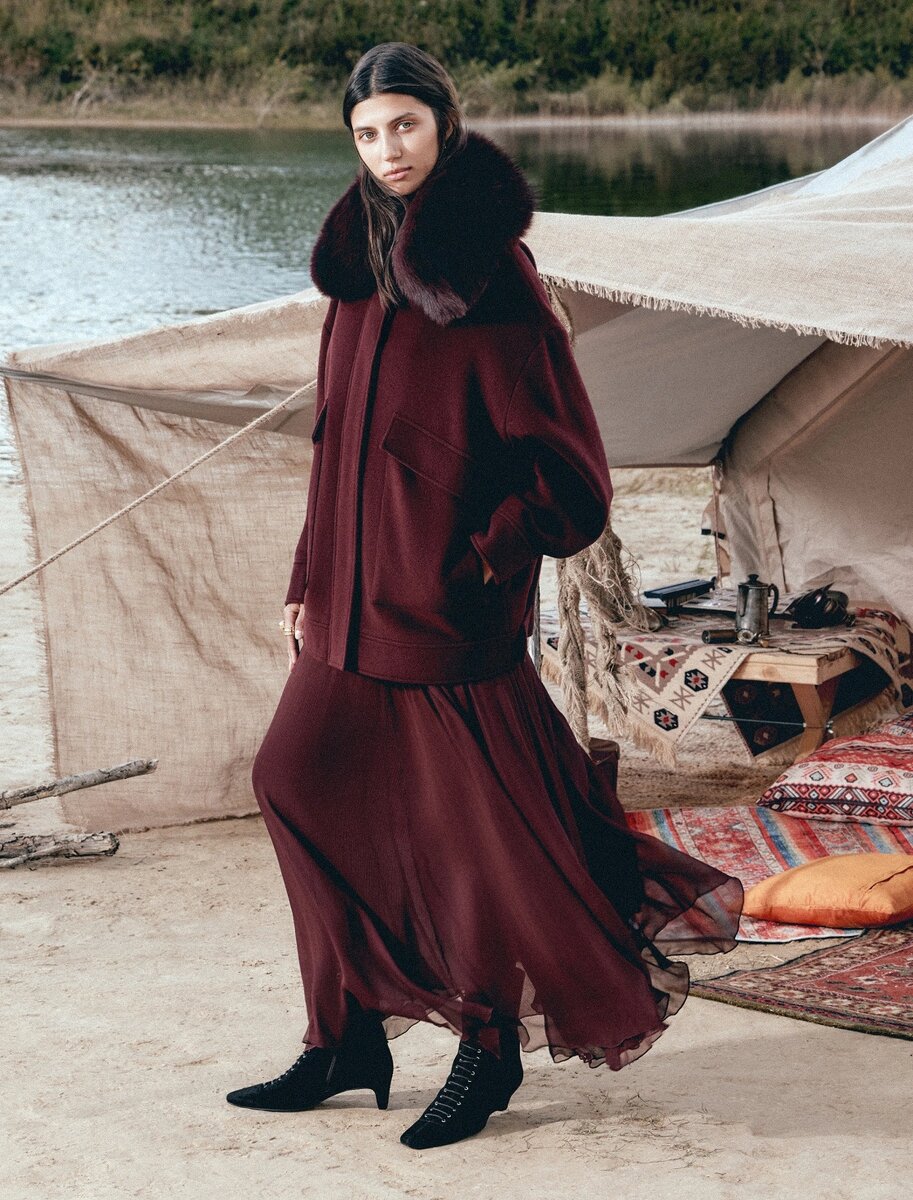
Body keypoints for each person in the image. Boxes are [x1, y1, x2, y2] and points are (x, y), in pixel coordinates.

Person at [227, 41, 743, 1151]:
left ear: (443, 124)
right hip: (347, 609)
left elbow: (573, 483)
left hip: (446, 620)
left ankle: (487, 1043)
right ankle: (346, 1035)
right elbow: (335, 447)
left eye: (404, 126)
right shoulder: (357, 268)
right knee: (292, 782)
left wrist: (471, 559)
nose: (387, 150)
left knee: (476, 847)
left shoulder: (491, 276)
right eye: (367, 133)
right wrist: (308, 576)